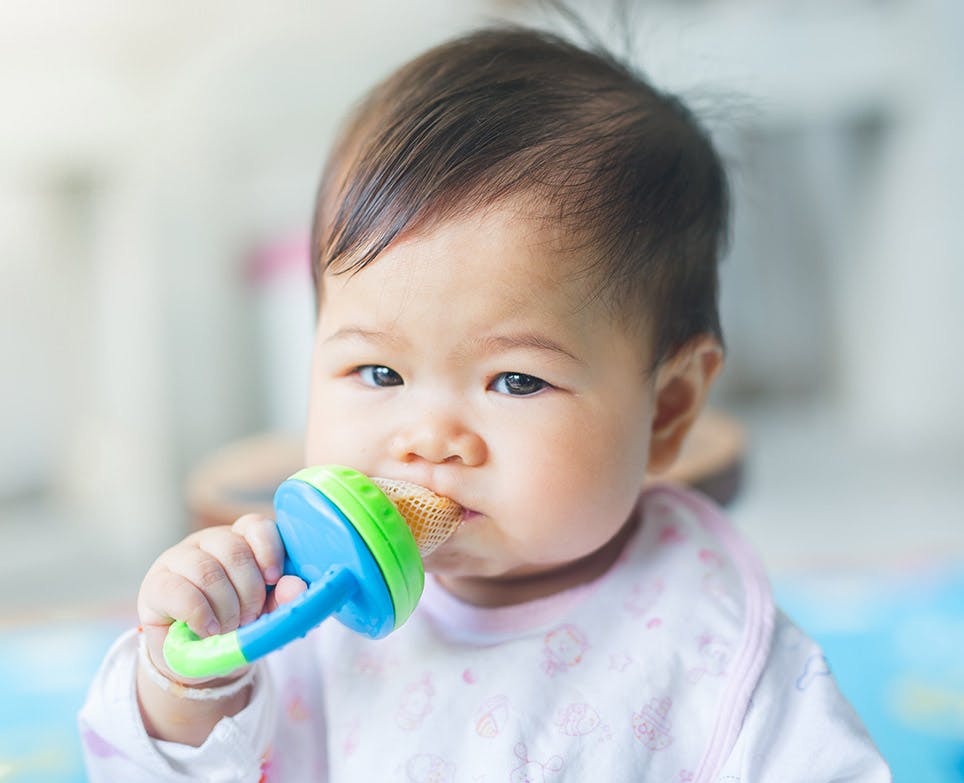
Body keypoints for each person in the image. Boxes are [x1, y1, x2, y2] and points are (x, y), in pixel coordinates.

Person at [79, 25, 890, 782]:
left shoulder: (704, 640)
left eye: (516, 381)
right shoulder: (298, 596)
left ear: (668, 409)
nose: (430, 439)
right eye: (378, 373)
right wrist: (189, 683)